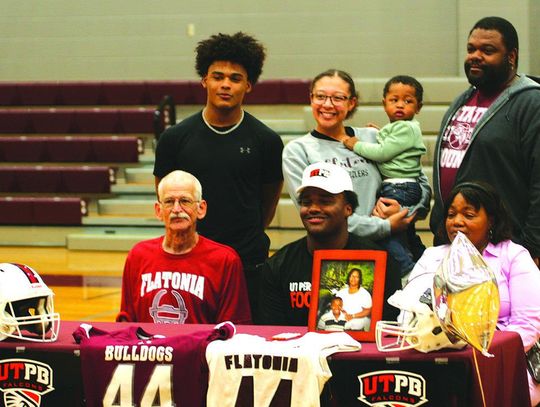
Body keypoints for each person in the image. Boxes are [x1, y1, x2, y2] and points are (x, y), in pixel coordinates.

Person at [153, 32, 284, 321]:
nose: (225, 84)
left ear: (248, 85)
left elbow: (268, 202)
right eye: (218, 76)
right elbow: (166, 198)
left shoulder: (267, 141)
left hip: (247, 264)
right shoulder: (174, 139)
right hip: (187, 264)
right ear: (204, 80)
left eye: (235, 78)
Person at [404, 181, 540, 405]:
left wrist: (479, 352)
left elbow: (528, 325)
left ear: (492, 220)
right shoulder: (432, 257)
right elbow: (408, 313)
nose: (457, 221)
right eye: (451, 214)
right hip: (436, 355)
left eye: (468, 214)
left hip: (504, 362)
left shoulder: (513, 256)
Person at [282, 69, 431, 264]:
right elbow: (316, 212)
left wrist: (406, 212)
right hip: (341, 256)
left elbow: (419, 183)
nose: (328, 104)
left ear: (351, 102)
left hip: (397, 248)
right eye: (320, 96)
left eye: (338, 98)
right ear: (311, 99)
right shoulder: (298, 151)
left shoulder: (371, 137)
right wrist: (385, 226)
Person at [430, 16, 540, 266]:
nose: (475, 56)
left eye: (487, 50)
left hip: (506, 249)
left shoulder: (531, 103)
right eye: (471, 49)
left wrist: (533, 247)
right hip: (455, 244)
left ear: (511, 56)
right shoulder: (462, 100)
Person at [259, 161, 401, 326]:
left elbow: (389, 332)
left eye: (325, 201)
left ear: (348, 208)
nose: (313, 208)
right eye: (306, 202)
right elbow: (271, 334)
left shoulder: (381, 262)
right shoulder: (277, 266)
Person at [116, 170, 251, 325]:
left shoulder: (225, 261)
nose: (176, 209)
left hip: (200, 349)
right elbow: (126, 322)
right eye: (169, 201)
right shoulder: (138, 256)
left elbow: (234, 328)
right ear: (158, 211)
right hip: (149, 349)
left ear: (201, 208)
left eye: (185, 201)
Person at [343, 75, 427, 276]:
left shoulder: (405, 127)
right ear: (384, 103)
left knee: (387, 233)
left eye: (408, 101)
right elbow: (392, 147)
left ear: (418, 107)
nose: (400, 105)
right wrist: (380, 134)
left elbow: (383, 153)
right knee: (401, 234)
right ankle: (415, 265)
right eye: (394, 100)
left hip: (400, 187)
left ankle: (409, 271)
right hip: (401, 186)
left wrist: (356, 144)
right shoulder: (398, 128)